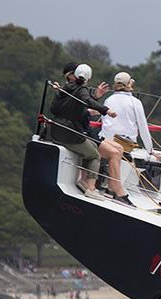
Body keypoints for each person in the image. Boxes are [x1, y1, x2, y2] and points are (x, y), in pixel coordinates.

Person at [48, 63, 117, 200]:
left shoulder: (65, 89)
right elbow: (87, 100)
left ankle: (84, 181)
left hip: (56, 130)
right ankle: (91, 188)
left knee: (91, 146)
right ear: (88, 78)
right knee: (95, 155)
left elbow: (53, 110)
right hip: (68, 133)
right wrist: (106, 110)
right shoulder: (81, 89)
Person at [100, 72, 161, 206]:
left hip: (105, 141)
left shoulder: (108, 99)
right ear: (129, 84)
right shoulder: (135, 102)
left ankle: (108, 185)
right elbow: (143, 128)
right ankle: (117, 189)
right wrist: (150, 151)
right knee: (124, 153)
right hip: (123, 145)